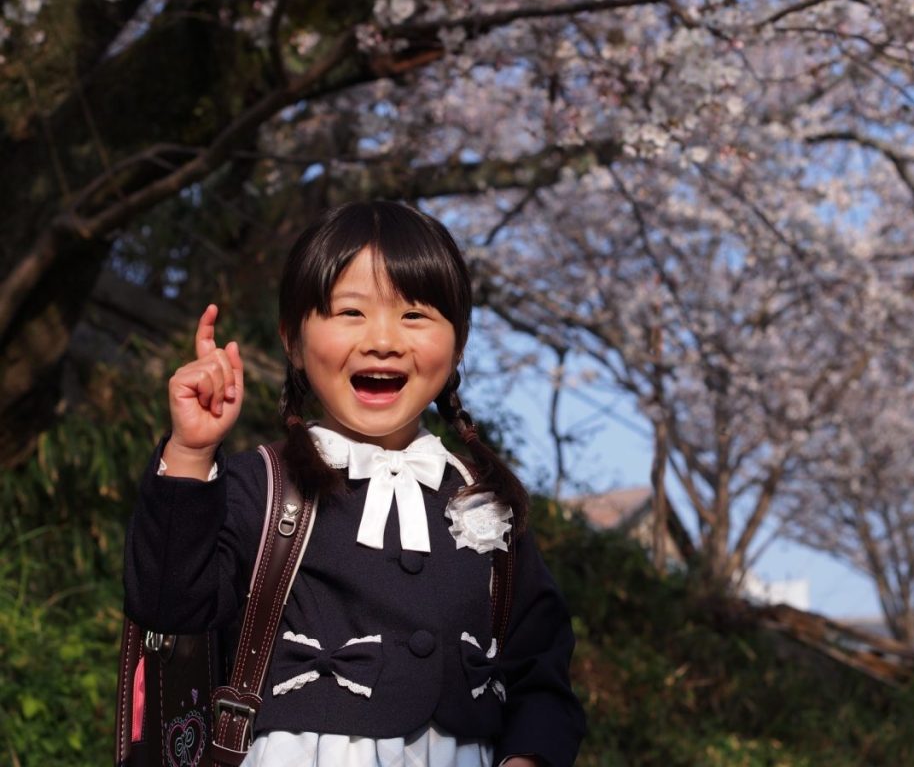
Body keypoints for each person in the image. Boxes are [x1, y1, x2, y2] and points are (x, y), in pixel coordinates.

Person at [123, 201, 586, 767]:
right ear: (293, 341)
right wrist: (191, 453)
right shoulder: (264, 487)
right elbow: (167, 606)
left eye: (414, 315)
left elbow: (541, 671)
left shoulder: (485, 503)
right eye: (350, 312)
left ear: (459, 344)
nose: (383, 340)